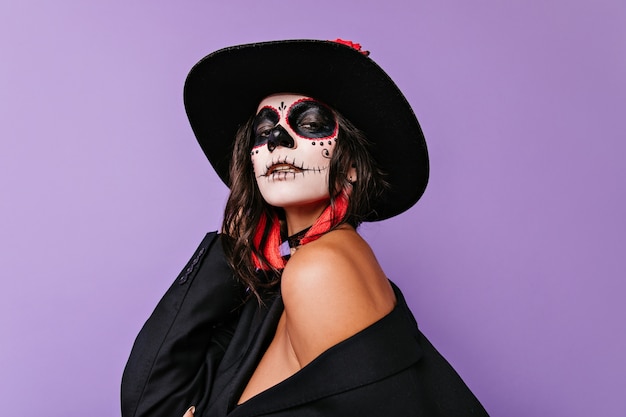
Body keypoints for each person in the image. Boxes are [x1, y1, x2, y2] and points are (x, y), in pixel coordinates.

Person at [121, 39, 489, 417]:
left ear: (352, 167)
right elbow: (152, 401)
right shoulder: (288, 279)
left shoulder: (321, 270)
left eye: (310, 124)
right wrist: (231, 246)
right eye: (263, 132)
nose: (277, 140)